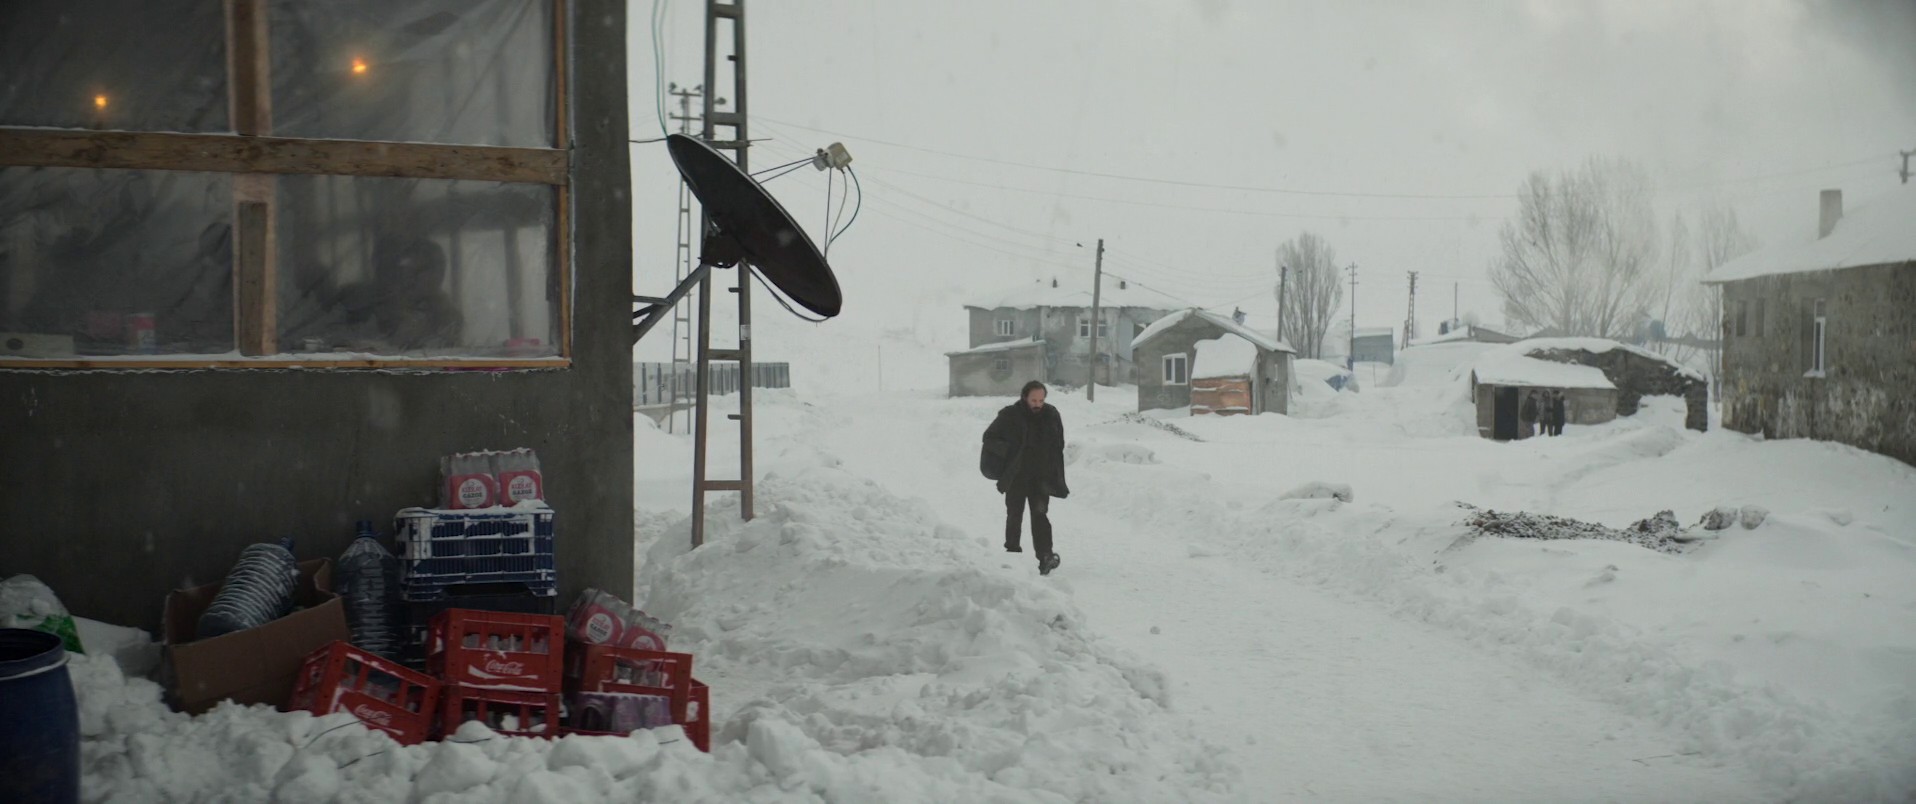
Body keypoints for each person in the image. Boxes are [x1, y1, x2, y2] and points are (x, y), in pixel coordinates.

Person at [981, 380, 1069, 575]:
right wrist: (1009, 452)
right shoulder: (1010, 415)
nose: (1038, 404)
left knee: (1040, 515)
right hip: (1017, 476)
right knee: (1015, 514)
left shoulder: (1052, 415)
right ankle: (1012, 554)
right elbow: (989, 437)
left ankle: (1045, 556)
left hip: (1041, 477)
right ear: (1024, 397)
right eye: (1034, 400)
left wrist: (1054, 472)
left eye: (1041, 400)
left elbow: (1058, 444)